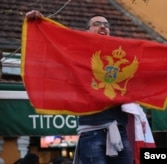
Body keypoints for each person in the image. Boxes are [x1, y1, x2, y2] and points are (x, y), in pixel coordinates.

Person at [25, 10, 133, 164]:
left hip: (119, 131)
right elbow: (55, 43)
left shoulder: (121, 54)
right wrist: (39, 22)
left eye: (106, 25)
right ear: (86, 31)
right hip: (91, 132)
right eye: (97, 24)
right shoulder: (78, 53)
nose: (103, 27)